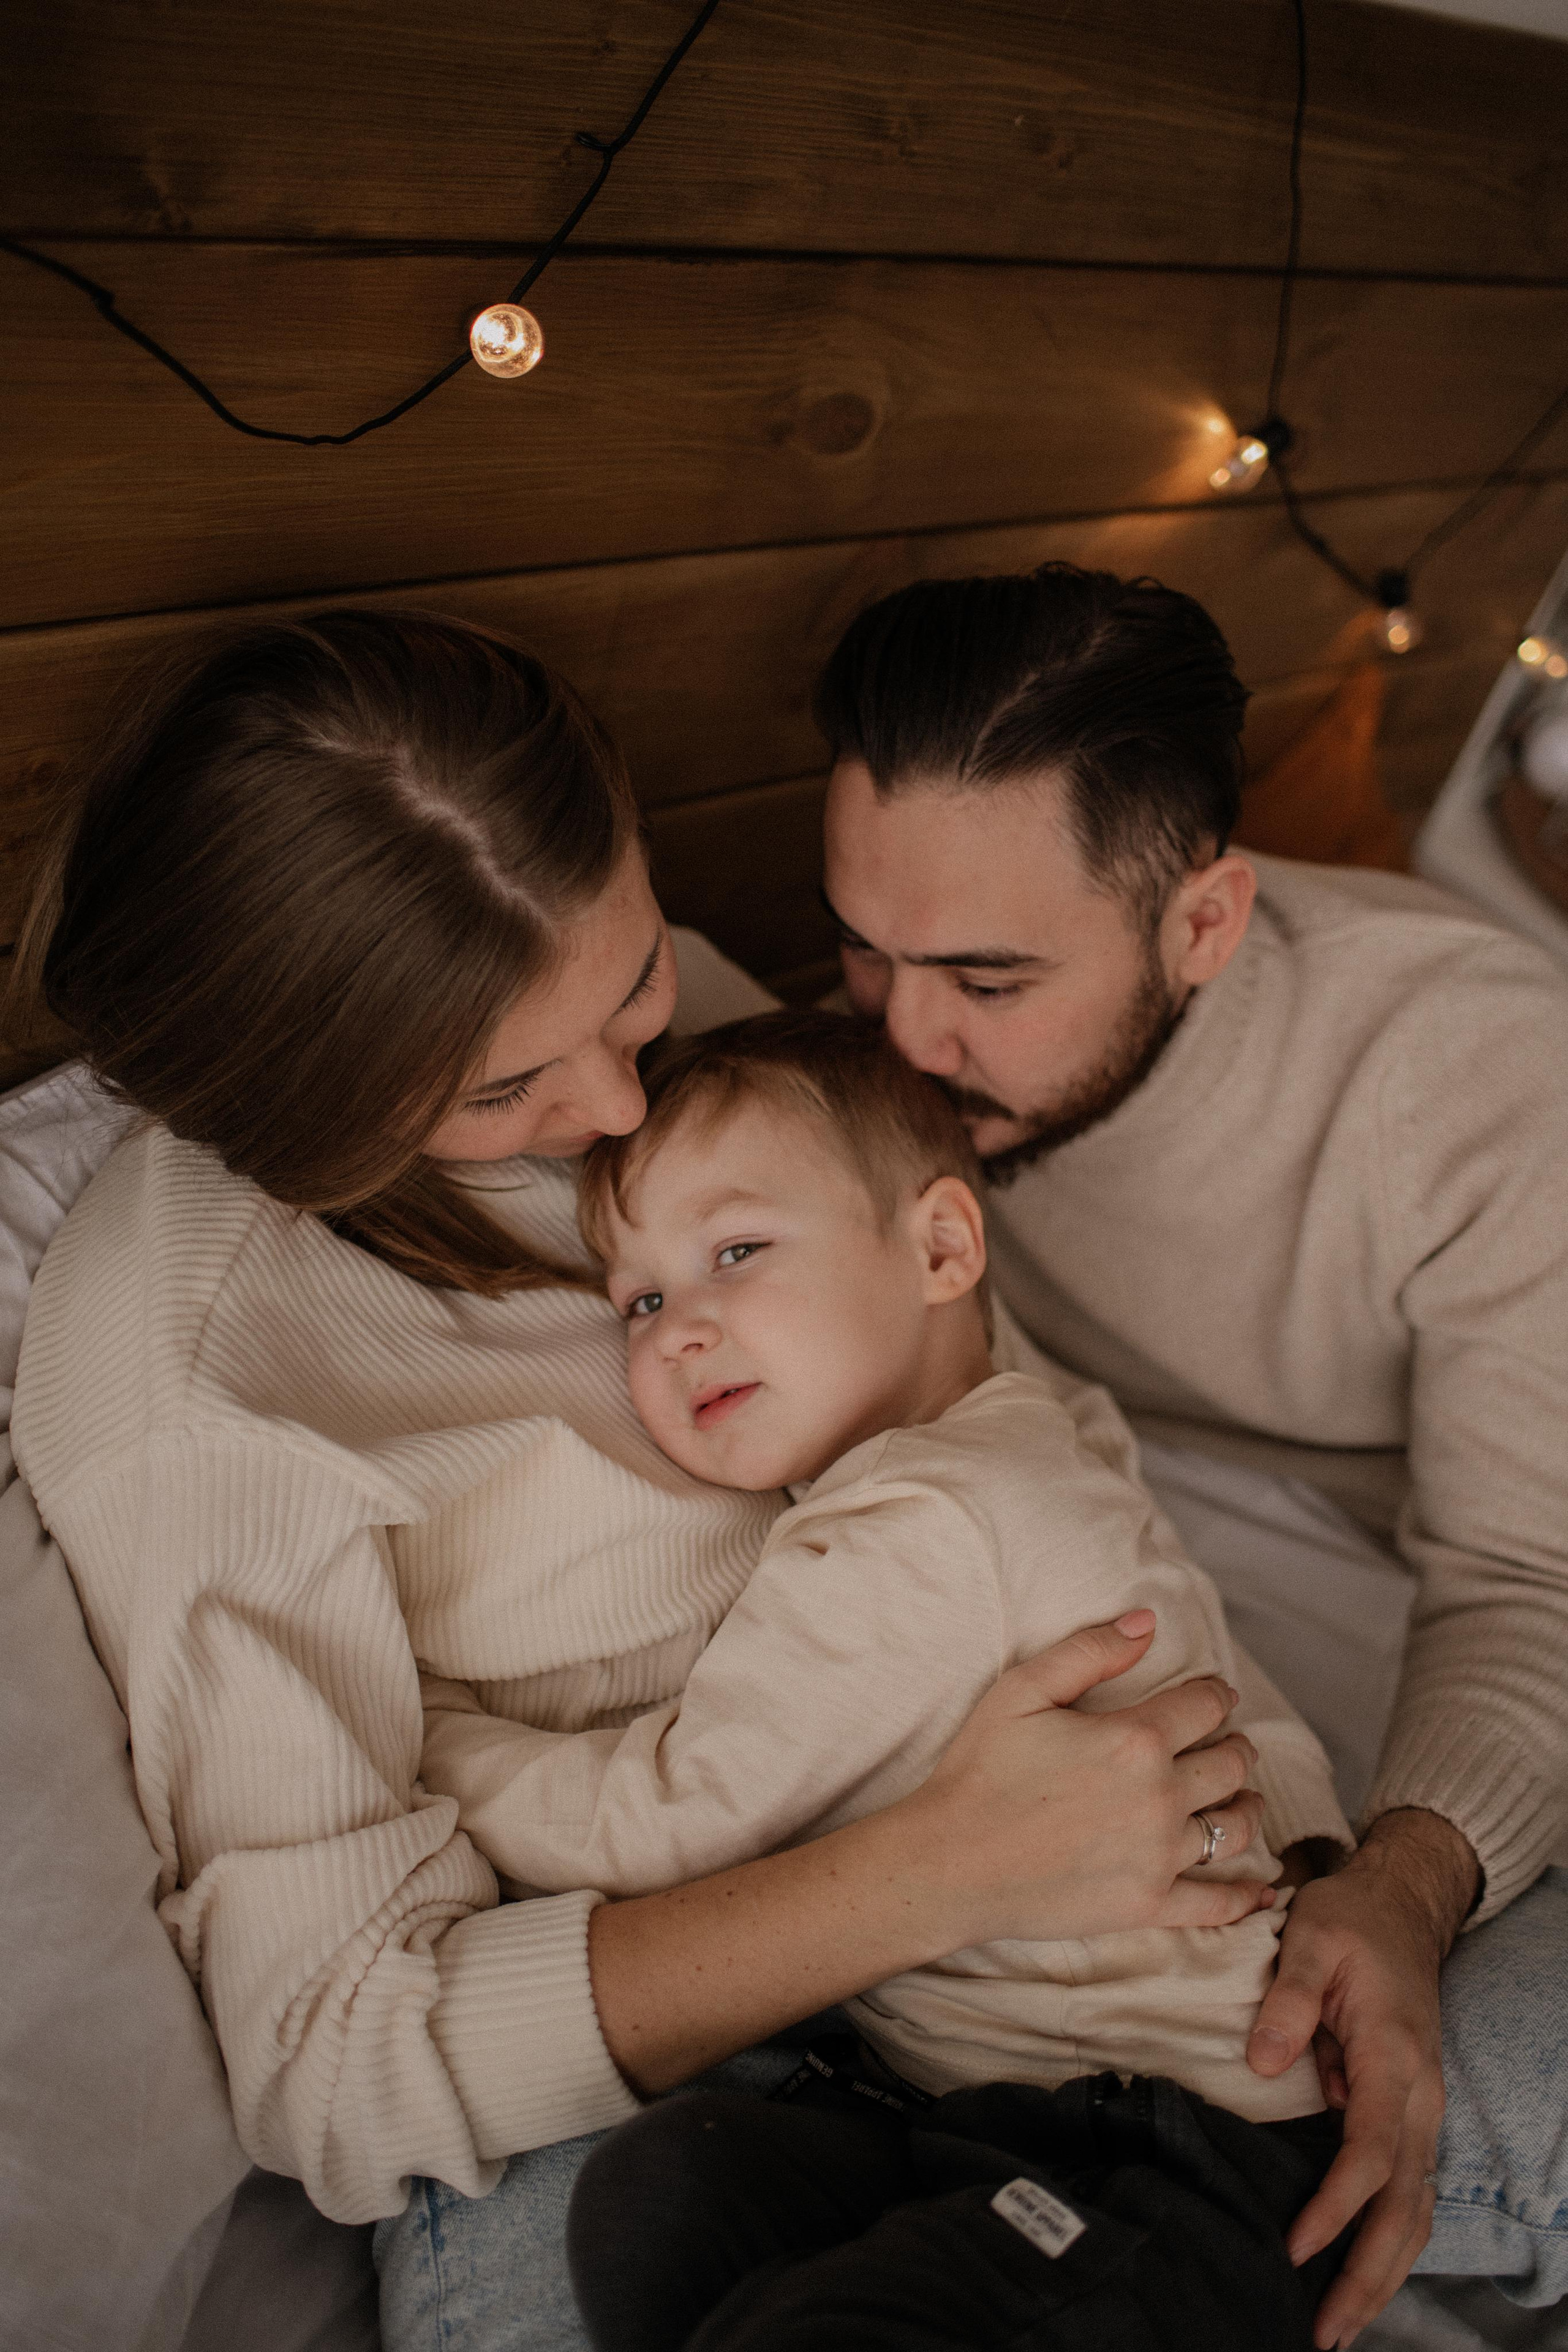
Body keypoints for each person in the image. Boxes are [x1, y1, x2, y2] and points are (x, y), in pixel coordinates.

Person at [4, 609, 1269, 2352]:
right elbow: (344, 2064)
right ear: (292, 1102)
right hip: (644, 2035)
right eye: (500, 1087)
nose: (617, 1103)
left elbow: (984, 1392)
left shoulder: (668, 1043)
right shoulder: (200, 1372)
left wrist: (1350, 1863)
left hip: (1069, 1928)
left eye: (634, 985)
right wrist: (942, 1875)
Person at [812, 560, 1568, 2350]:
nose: (905, 1039)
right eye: (862, 947)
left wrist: (1402, 1880)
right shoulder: (881, 1042)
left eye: (988, 977)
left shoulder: (1477, 1078)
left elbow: (1530, 1576)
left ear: (1206, 923)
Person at [418, 1008, 1362, 2348]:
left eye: (735, 1252)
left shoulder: (917, 1524)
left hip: (1166, 2158)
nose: (678, 1331)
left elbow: (668, 1822)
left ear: (937, 1247)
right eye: (638, 1298)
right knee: (659, 2188)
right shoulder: (1024, 1441)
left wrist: (432, 1740)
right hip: (976, 2129)